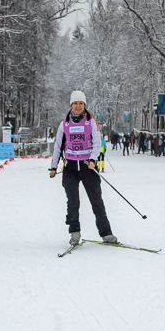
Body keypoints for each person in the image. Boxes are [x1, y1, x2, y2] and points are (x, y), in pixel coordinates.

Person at [49, 91, 117, 246]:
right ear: (71, 105)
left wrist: (93, 159)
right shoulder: (64, 124)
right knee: (73, 202)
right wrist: (53, 167)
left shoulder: (91, 122)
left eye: (81, 103)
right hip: (70, 167)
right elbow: (58, 146)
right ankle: (75, 233)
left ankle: (106, 233)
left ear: (84, 105)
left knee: (96, 201)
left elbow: (97, 142)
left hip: (88, 166)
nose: (78, 106)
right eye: (75, 103)